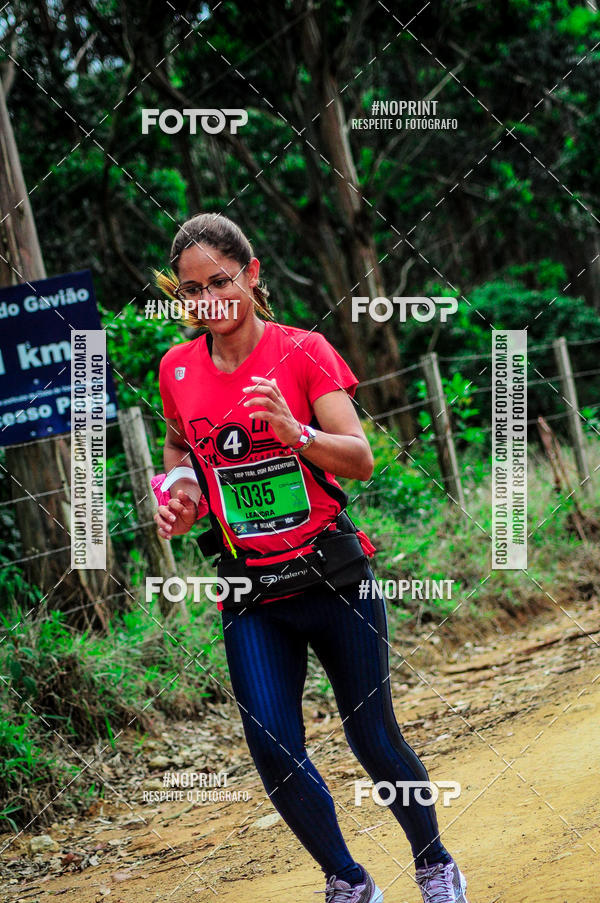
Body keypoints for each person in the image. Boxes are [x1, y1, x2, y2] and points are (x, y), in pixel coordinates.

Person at [152, 212, 469, 903]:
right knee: (272, 745)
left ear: (252, 274)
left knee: (374, 738)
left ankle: (435, 863)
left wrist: (296, 433)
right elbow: (180, 447)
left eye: (220, 281)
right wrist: (178, 489)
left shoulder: (303, 352)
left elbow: (359, 459)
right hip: (251, 591)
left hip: (333, 577)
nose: (208, 300)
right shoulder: (176, 368)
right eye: (191, 290)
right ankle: (348, 880)